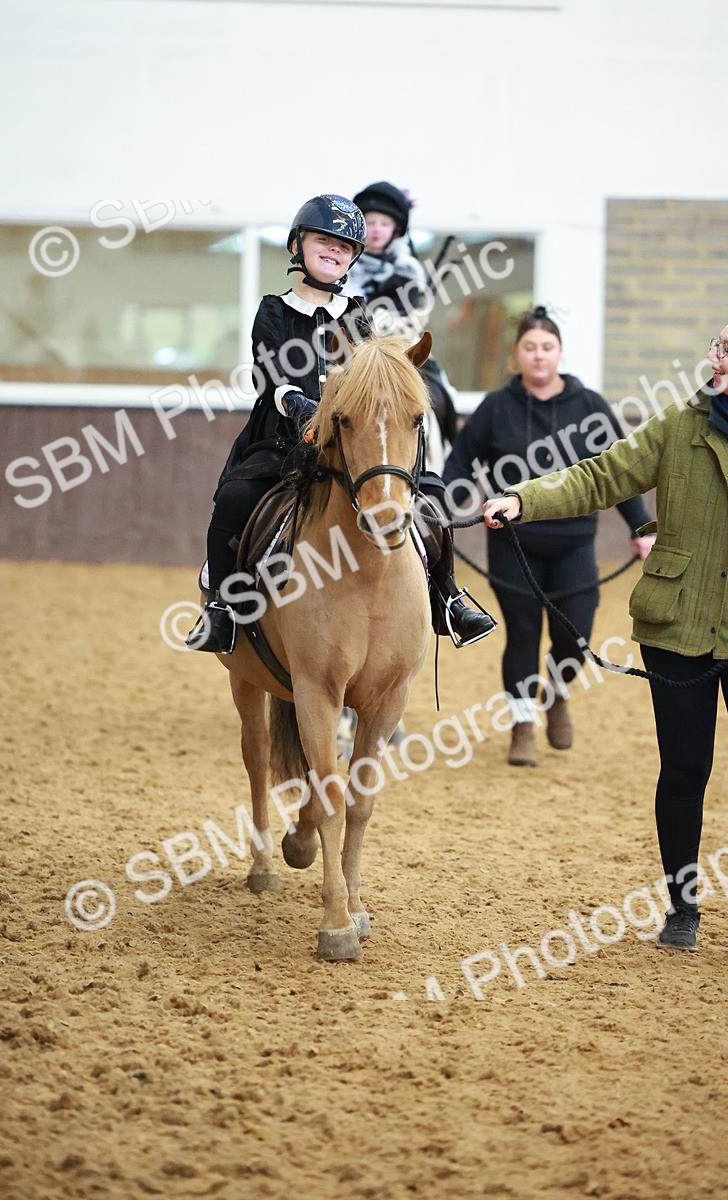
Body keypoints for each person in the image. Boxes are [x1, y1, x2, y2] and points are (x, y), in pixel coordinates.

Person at [483, 324, 728, 951]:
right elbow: (601, 476)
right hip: (679, 624)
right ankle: (682, 908)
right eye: (719, 346)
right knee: (685, 769)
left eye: (726, 350)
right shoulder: (679, 425)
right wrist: (523, 499)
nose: (716, 357)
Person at [187, 194, 495, 654]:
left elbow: (369, 374)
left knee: (429, 495)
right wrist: (300, 407)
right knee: (235, 499)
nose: (334, 250)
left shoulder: (355, 312)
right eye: (323, 241)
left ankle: (447, 598)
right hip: (283, 437)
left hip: (348, 440)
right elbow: (268, 376)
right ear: (297, 245)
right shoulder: (273, 311)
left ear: (353, 258)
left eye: (345, 246)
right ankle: (221, 610)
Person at [443, 306, 654, 766]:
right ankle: (522, 725)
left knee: (573, 636)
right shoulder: (495, 407)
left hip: (574, 544)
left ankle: (557, 692)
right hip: (513, 545)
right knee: (522, 635)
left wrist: (641, 528)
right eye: (530, 347)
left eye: (547, 347)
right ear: (516, 354)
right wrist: (440, 510)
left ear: (559, 353)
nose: (539, 355)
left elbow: (619, 472)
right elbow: (460, 463)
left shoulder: (589, 406)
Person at [347, 181, 459, 469]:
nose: (376, 229)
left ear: (395, 229)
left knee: (442, 394)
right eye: (370, 222)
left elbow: (418, 316)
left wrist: (392, 325)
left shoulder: (409, 270)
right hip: (356, 353)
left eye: (384, 223)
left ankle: (440, 458)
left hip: (402, 350)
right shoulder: (344, 267)